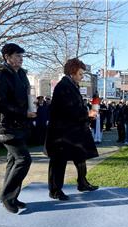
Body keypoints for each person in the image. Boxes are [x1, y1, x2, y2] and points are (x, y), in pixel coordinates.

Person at [0, 43, 37, 213]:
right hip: (6, 126)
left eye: (21, 55)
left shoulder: (22, 74)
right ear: (7, 57)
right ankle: (5, 195)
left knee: (13, 161)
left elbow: (26, 96)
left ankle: (12, 198)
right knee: (24, 159)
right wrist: (24, 113)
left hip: (19, 125)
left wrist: (32, 107)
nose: (21, 58)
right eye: (17, 55)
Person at [45, 58, 99, 201]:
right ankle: (55, 190)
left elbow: (77, 108)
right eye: (80, 74)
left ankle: (82, 182)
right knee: (58, 162)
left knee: (81, 157)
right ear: (72, 72)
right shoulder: (63, 86)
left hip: (74, 130)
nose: (82, 77)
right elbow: (69, 109)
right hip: (62, 133)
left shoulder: (72, 85)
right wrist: (87, 114)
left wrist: (88, 115)